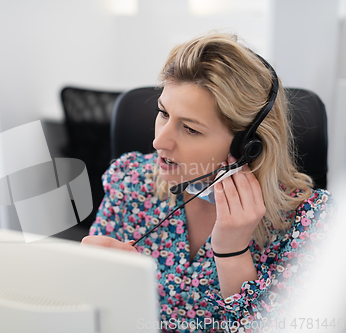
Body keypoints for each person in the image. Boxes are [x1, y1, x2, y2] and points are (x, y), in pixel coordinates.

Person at [81, 32, 336, 333]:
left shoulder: (311, 222)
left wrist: (232, 252)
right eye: (163, 113)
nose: (159, 141)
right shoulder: (131, 181)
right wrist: (91, 281)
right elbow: (90, 314)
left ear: (248, 145)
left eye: (190, 129)